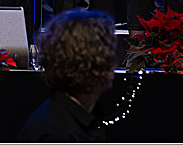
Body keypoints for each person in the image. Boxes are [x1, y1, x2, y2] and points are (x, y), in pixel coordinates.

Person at [18, 9, 117, 142]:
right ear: (92, 62)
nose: (114, 62)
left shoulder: (85, 116)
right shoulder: (54, 133)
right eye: (108, 52)